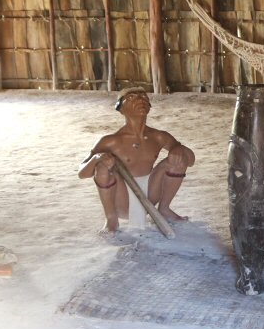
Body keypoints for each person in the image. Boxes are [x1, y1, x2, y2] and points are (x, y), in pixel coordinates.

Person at [79, 88, 195, 233]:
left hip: (150, 194)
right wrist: (97, 158)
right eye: (131, 97)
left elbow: (190, 160)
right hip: (123, 198)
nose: (140, 99)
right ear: (120, 109)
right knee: (102, 167)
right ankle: (111, 219)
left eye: (144, 97)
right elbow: (82, 173)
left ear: (149, 107)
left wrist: (178, 148)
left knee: (178, 159)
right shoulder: (111, 141)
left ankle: (164, 209)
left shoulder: (159, 136)